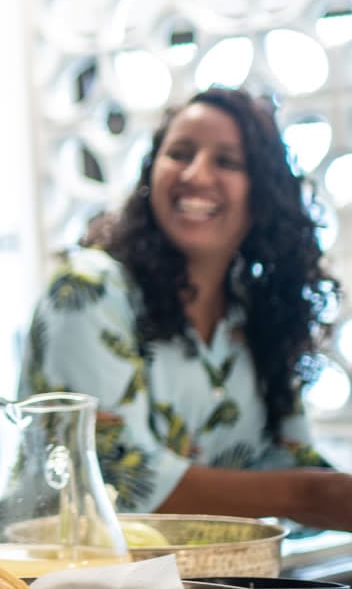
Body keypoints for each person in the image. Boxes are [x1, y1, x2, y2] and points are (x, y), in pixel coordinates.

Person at [20, 86, 352, 528]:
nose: (196, 175)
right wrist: (309, 493)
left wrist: (322, 490)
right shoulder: (87, 290)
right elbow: (119, 479)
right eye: (180, 153)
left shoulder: (252, 309)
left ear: (264, 196)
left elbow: (286, 458)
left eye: (227, 162)